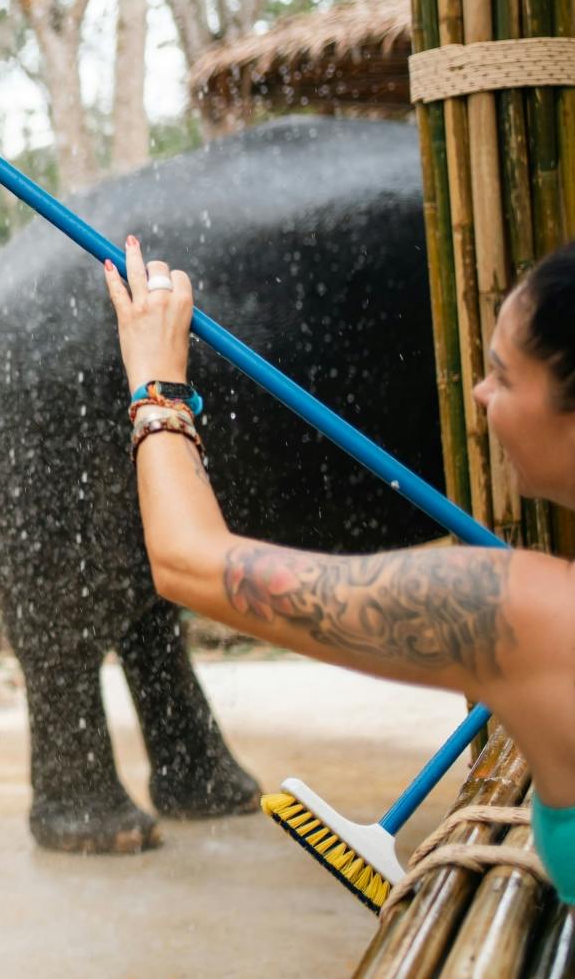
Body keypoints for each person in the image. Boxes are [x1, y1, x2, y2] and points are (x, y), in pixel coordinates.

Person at [101, 234, 575, 893]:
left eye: (504, 374)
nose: (479, 391)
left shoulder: (535, 617)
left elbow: (190, 564)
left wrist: (157, 388)